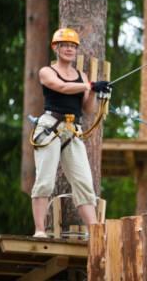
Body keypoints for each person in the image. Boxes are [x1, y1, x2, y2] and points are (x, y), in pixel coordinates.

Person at [29, 28, 111, 238]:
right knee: (45, 180)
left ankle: (95, 233)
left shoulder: (81, 75)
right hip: (50, 126)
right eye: (64, 45)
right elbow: (62, 87)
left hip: (73, 129)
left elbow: (88, 109)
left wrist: (93, 92)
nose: (69, 49)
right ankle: (39, 230)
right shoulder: (47, 72)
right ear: (56, 48)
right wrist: (89, 84)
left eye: (72, 46)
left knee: (84, 182)